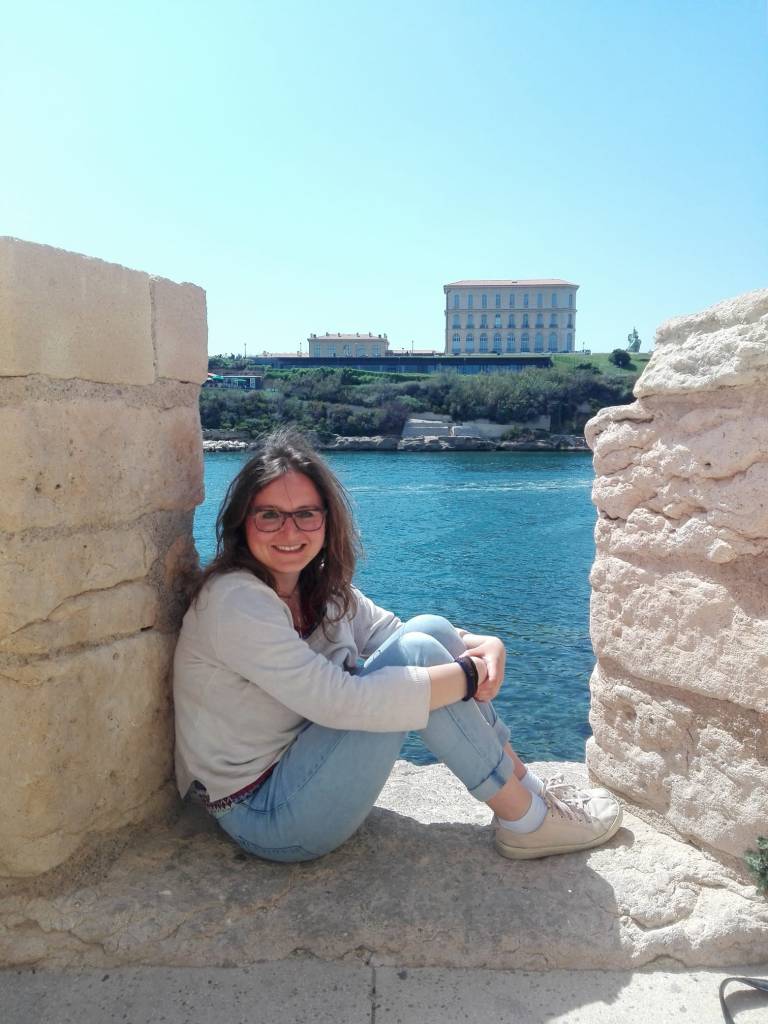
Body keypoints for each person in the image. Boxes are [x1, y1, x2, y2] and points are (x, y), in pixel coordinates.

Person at [173, 429, 622, 863]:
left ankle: (531, 792)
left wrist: (483, 643)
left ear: (327, 520)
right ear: (243, 521)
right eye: (269, 515)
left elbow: (397, 631)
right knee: (419, 656)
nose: (289, 531)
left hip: (308, 770)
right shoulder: (236, 600)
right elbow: (340, 702)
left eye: (306, 514)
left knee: (430, 629)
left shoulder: (319, 588)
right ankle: (526, 822)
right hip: (264, 813)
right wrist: (468, 676)